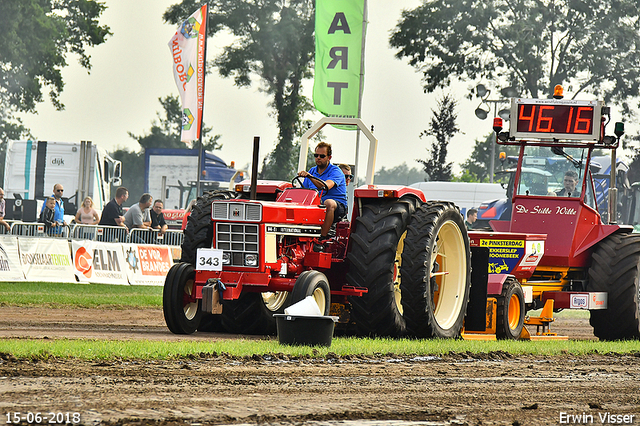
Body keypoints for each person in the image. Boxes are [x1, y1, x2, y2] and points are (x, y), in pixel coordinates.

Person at [297, 142, 347, 239]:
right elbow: (305, 191)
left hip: (337, 207)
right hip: (316, 204)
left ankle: (322, 238)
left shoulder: (335, 171)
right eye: (316, 155)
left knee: (329, 203)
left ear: (329, 157)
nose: (318, 158)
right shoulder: (312, 171)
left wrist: (310, 177)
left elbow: (325, 186)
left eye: (322, 156)